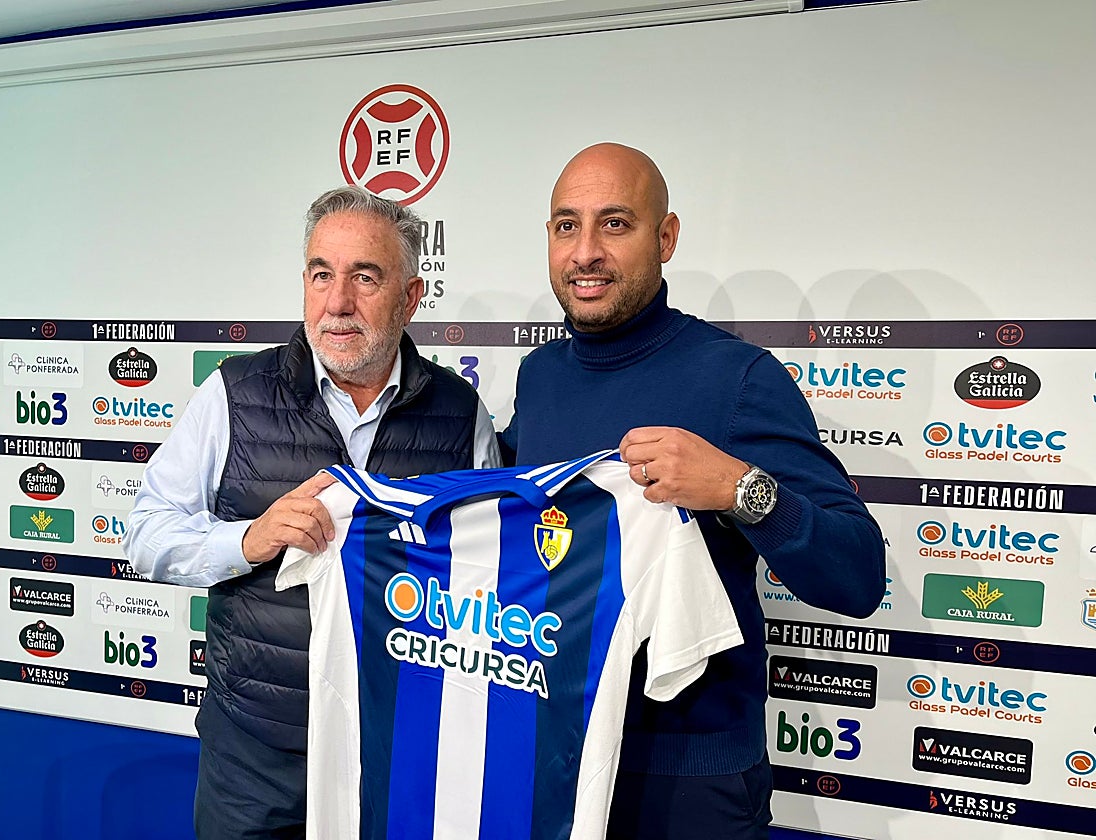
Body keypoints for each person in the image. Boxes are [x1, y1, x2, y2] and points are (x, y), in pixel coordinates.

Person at [500, 143, 886, 839]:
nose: (585, 251)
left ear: (666, 237)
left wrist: (740, 488)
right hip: (551, 749)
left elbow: (858, 575)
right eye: (567, 226)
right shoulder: (540, 377)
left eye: (615, 224)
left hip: (687, 778)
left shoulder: (738, 379)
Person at [124, 185, 501, 839]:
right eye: (322, 275)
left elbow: (488, 572)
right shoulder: (233, 394)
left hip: (395, 753)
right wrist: (249, 538)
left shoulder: (460, 415)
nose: (338, 303)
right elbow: (145, 535)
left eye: (365, 277)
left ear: (410, 298)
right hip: (257, 760)